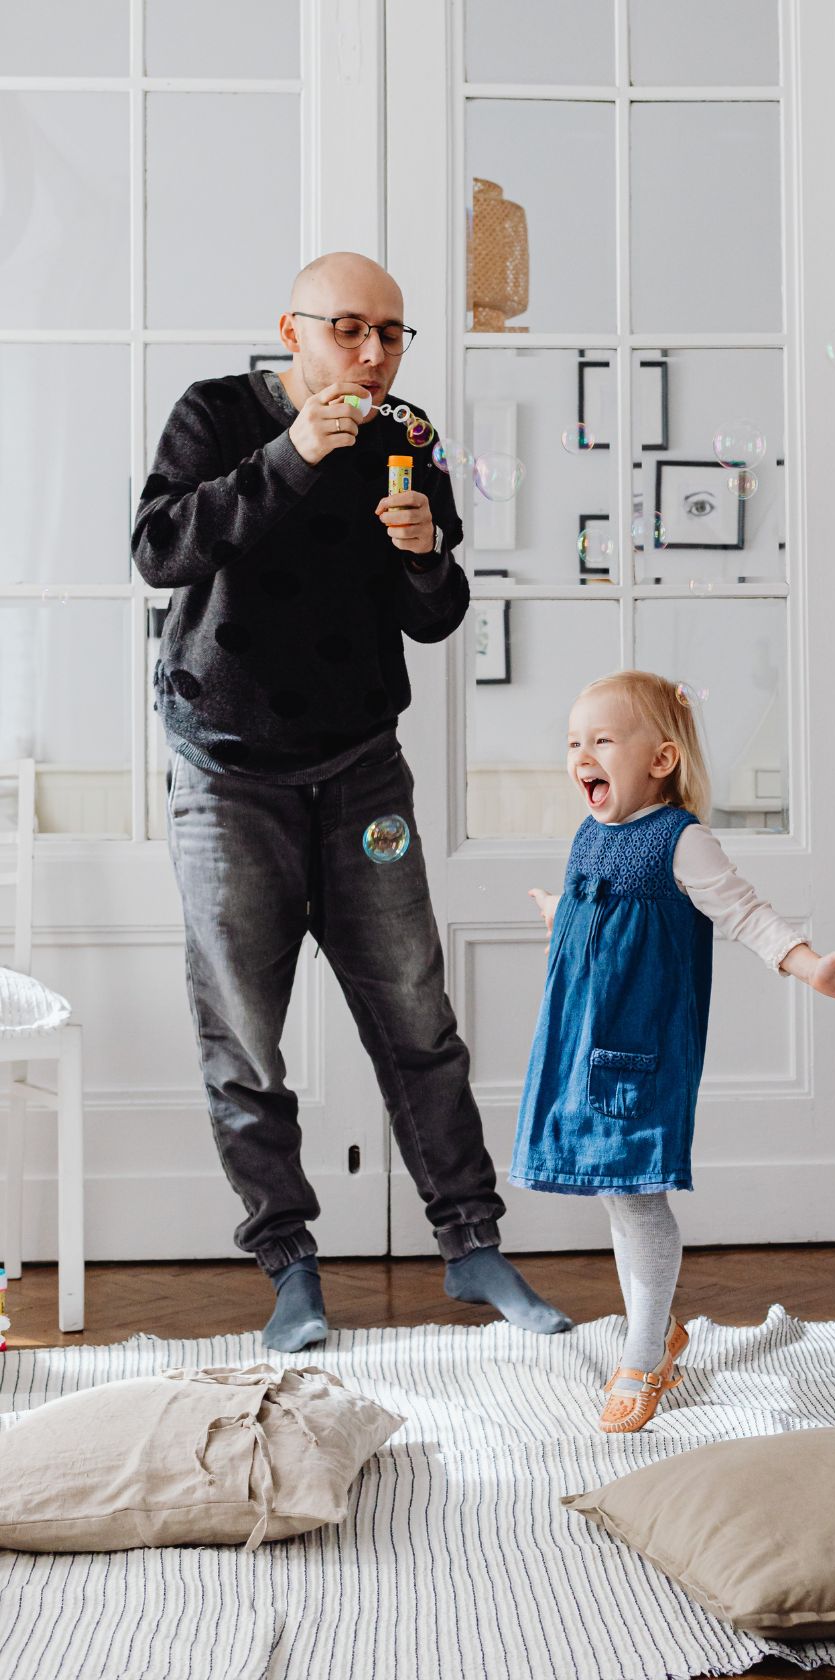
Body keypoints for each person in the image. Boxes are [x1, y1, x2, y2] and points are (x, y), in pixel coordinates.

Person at [132, 251, 570, 1352]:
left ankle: (472, 1244)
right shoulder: (218, 414)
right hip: (226, 774)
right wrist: (287, 457)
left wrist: (426, 558)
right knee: (244, 1034)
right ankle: (289, 1265)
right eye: (348, 329)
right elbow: (157, 548)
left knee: (416, 1013)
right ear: (294, 327)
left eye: (391, 333)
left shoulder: (405, 433)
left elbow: (435, 613)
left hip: (362, 769)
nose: (371, 355)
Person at [513, 669, 835, 1431]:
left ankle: (646, 1352)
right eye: (574, 743)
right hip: (579, 1043)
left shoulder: (681, 841)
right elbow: (603, 917)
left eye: (603, 741)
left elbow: (747, 915)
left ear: (659, 760)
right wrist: (564, 913)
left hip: (639, 1048)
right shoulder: (592, 832)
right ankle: (653, 1332)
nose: (583, 755)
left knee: (638, 1193)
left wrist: (813, 965)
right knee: (618, 1196)